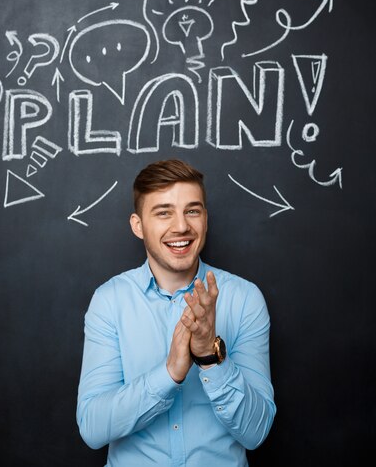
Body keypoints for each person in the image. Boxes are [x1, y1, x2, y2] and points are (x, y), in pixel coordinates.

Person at [76, 159, 276, 466]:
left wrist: (210, 357)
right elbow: (92, 427)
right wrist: (169, 373)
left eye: (192, 211)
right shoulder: (109, 301)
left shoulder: (244, 299)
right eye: (163, 212)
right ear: (137, 225)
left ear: (205, 219)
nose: (181, 226)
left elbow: (256, 431)